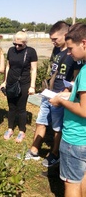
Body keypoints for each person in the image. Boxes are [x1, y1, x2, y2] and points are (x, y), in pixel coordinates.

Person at [23, 21, 82, 167]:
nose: (53, 42)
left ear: (65, 35)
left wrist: (65, 92)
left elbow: (76, 77)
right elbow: (53, 71)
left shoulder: (72, 52)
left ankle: (55, 154)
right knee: (41, 121)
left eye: (55, 39)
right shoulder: (56, 51)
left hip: (61, 96)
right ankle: (34, 150)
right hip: (49, 93)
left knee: (57, 127)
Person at [49, 23, 86, 197]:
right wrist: (71, 95)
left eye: (71, 48)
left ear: (84, 43)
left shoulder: (85, 72)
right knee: (83, 179)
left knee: (72, 184)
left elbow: (84, 110)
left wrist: (61, 102)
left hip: (76, 139)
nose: (69, 53)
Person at [0, 30, 37, 143]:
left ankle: (22, 131)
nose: (16, 46)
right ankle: (10, 129)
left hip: (24, 83)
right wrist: (5, 81)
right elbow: (8, 66)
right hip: (11, 83)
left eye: (19, 44)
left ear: (25, 42)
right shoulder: (11, 50)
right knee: (11, 107)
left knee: (21, 108)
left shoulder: (31, 52)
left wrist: (32, 86)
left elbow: (34, 69)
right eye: (15, 43)